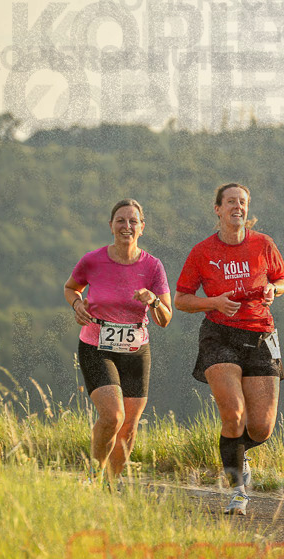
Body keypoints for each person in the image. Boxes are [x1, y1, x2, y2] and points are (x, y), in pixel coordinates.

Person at [174, 183, 284, 515]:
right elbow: (181, 299)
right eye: (230, 202)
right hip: (219, 335)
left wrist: (273, 288)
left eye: (242, 202)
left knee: (261, 428)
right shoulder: (202, 251)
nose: (237, 206)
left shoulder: (263, 244)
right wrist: (213, 302)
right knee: (233, 414)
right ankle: (238, 489)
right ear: (218, 209)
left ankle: (237, 451)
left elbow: (283, 280)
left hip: (261, 336)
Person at [64, 198, 173, 489]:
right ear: (111, 226)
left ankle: (111, 487)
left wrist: (153, 302)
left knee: (128, 427)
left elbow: (165, 318)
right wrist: (77, 305)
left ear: (142, 228)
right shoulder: (92, 260)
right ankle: (92, 475)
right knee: (113, 416)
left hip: (137, 350)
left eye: (133, 221)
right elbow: (71, 287)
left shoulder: (153, 266)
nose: (127, 226)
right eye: (121, 221)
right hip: (97, 345)